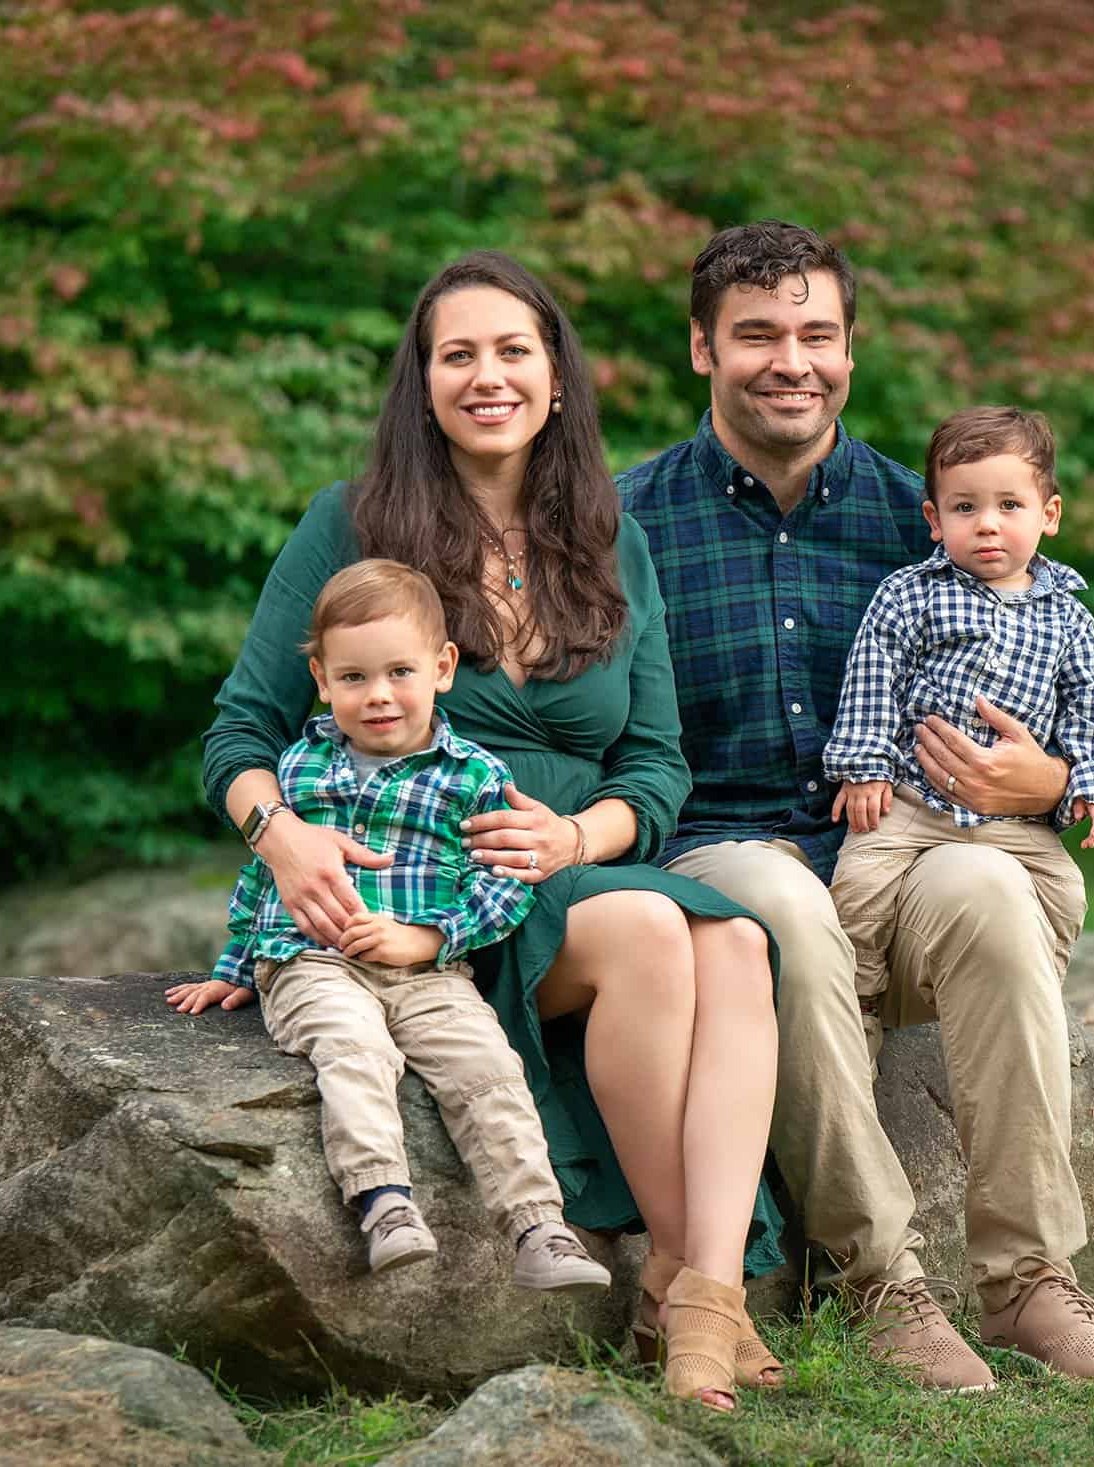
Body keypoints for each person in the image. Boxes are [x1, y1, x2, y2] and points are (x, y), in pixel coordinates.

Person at [199, 251, 781, 1412]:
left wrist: (579, 837)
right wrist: (283, 839)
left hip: (576, 866)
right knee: (665, 938)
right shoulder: (351, 523)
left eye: (513, 350)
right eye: (455, 354)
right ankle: (695, 1298)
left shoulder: (606, 534)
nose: (487, 376)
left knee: (741, 945)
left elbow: (654, 762)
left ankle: (694, 1288)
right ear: (421, 384)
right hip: (433, 894)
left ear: (555, 376)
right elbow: (238, 733)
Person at [620, 221, 1094, 1387]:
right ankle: (880, 1283)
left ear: (849, 352)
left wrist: (1058, 782)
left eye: (816, 334)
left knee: (987, 884)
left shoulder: (925, 513)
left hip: (911, 856)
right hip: (723, 856)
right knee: (783, 902)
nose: (790, 360)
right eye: (756, 334)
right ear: (701, 349)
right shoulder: (629, 524)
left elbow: (1066, 680)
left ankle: (1025, 1284)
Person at [167, 558, 614, 1297]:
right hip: (316, 960)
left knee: (485, 1065)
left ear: (441, 669)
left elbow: (503, 884)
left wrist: (432, 939)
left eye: (399, 672)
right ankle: (384, 1202)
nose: (377, 696)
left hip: (429, 970)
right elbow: (265, 876)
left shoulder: (470, 774)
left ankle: (538, 1226)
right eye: (353, 678)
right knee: (353, 1045)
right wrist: (235, 966)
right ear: (321, 679)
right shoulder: (298, 768)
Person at [823, 405, 1094, 1075]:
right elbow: (874, 675)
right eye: (965, 507)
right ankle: (860, 1007)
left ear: (1048, 514)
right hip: (908, 803)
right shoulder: (911, 595)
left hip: (1013, 818)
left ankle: (1032, 998)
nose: (987, 523)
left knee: (1066, 893)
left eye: (1008, 505)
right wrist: (865, 765)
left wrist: (1093, 781)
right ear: (934, 519)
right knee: (858, 886)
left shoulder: (1069, 619)